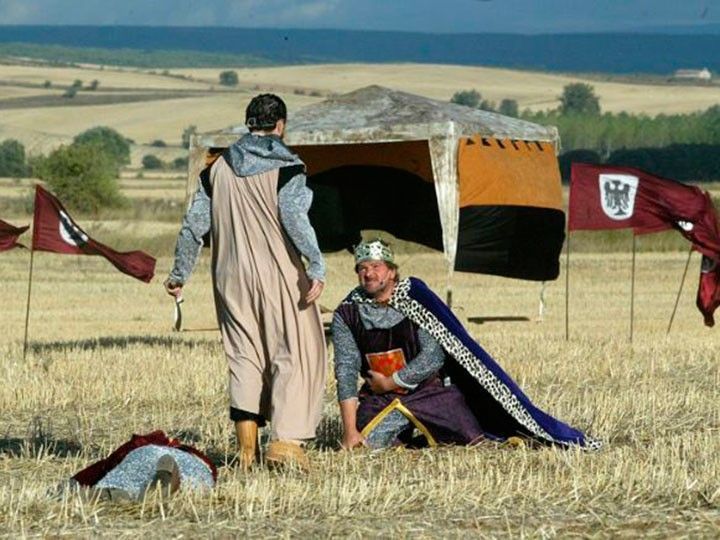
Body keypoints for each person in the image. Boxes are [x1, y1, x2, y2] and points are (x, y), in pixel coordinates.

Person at [165, 94, 327, 470]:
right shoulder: (288, 167)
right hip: (279, 272)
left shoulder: (215, 169)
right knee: (296, 352)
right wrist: (316, 263)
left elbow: (193, 227)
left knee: (244, 356)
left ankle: (247, 453)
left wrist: (178, 274)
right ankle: (284, 442)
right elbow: (294, 219)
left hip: (228, 276)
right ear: (281, 125)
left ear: (248, 123)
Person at [332, 239, 601, 451]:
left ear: (391, 271)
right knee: (369, 445)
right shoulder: (347, 313)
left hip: (428, 394)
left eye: (375, 266)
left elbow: (433, 357)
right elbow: (345, 369)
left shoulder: (415, 299)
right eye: (362, 268)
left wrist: (392, 381)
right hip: (380, 398)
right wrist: (349, 431)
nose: (368, 273)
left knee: (469, 438)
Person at [66, 431, 216, 502]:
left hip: (149, 454)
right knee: (192, 484)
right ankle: (164, 478)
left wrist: (73, 483)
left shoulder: (143, 445)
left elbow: (102, 467)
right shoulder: (199, 459)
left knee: (122, 479)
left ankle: (111, 492)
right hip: (199, 470)